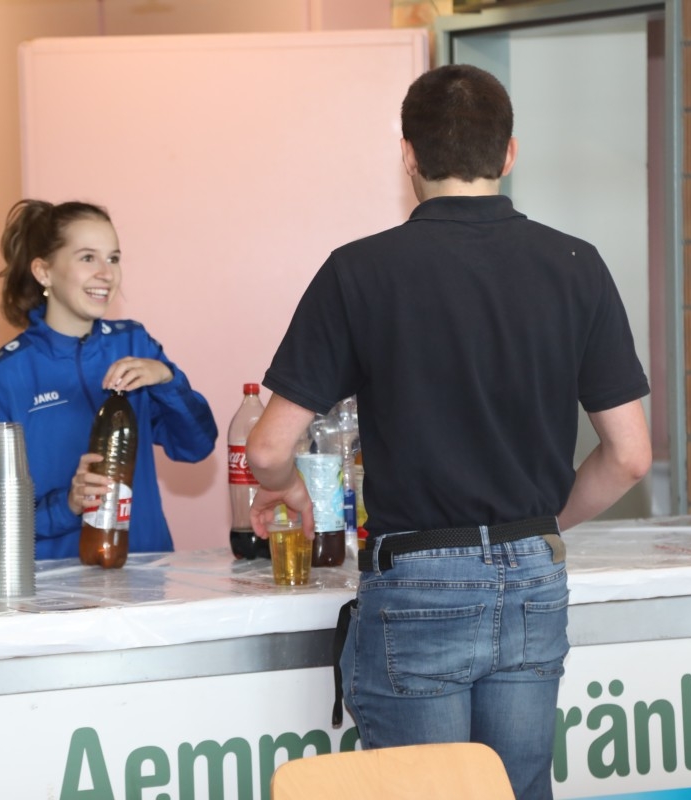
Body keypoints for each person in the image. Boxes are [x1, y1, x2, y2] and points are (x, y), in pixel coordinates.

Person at [246, 65, 652, 799]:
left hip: (420, 579)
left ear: (408, 155)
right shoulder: (577, 266)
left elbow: (269, 449)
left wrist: (289, 492)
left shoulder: (358, 271)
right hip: (534, 576)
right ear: (509, 154)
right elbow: (628, 456)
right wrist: (534, 527)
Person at [0, 199, 217, 560]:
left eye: (113, 258)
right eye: (87, 258)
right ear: (44, 272)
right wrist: (67, 504)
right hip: (52, 583)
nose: (106, 273)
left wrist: (167, 379)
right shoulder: (2, 377)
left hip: (144, 573)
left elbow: (196, 446)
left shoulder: (135, 344)